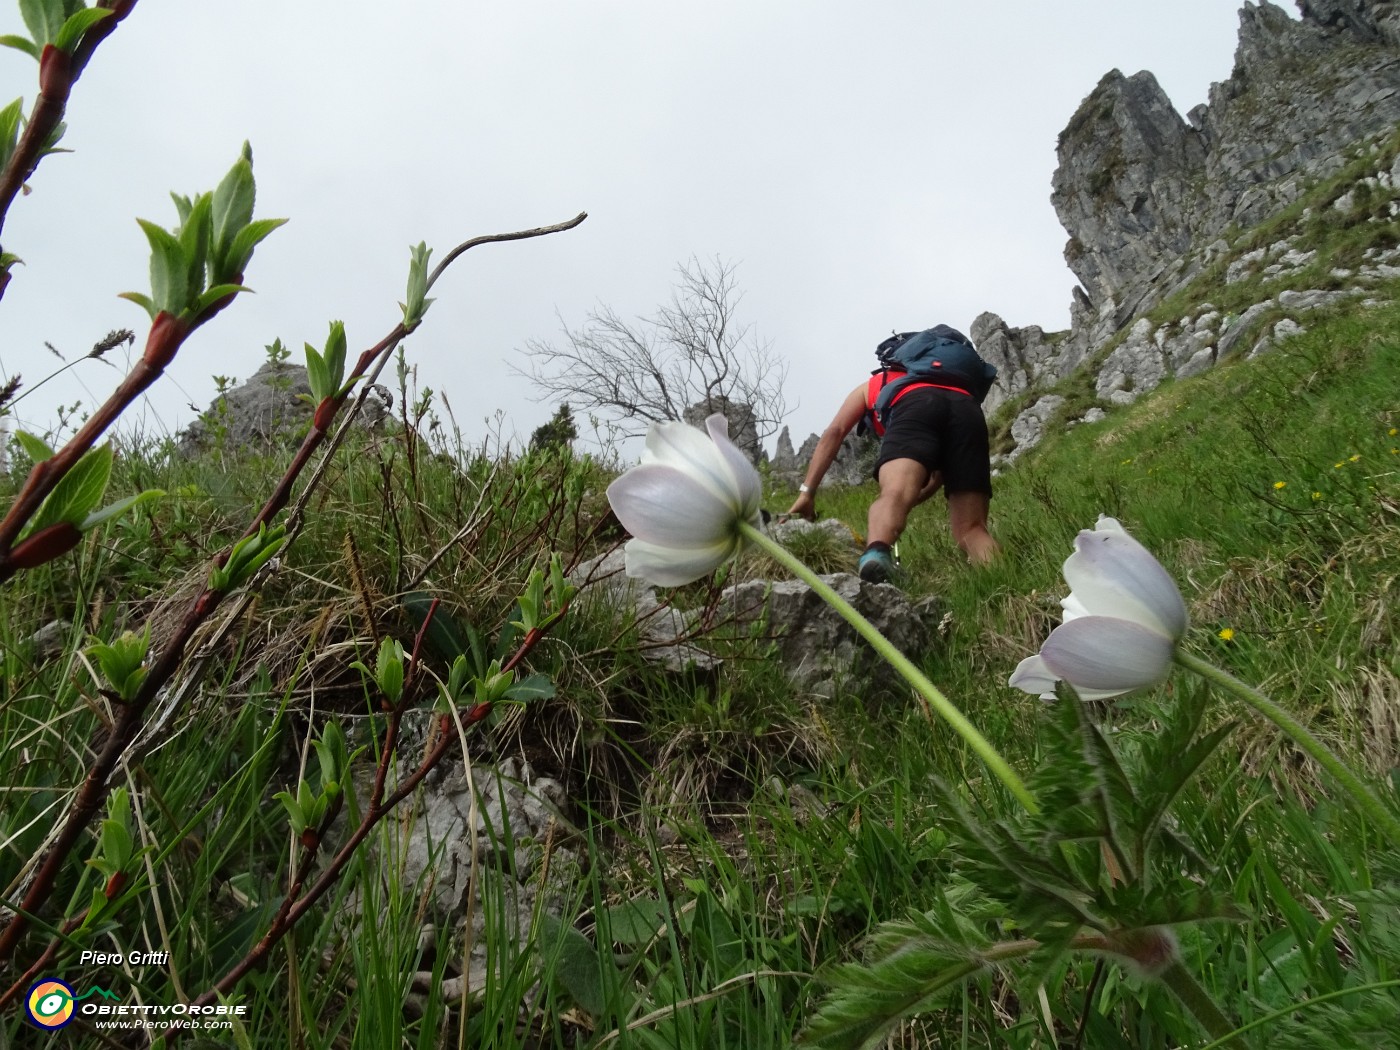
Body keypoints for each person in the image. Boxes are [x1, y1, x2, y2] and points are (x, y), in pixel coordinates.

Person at [785, 328, 1000, 582]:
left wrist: (807, 492)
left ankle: (876, 554)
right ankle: (1008, 590)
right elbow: (943, 470)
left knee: (894, 494)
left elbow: (835, 432)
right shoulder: (958, 385)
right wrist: (916, 497)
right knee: (971, 529)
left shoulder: (880, 382)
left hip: (915, 406)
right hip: (969, 412)